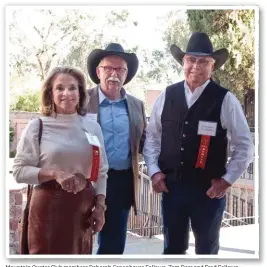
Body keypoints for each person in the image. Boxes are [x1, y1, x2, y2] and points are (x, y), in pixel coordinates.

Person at [143, 32, 254, 255]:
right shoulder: (167, 95)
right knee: (173, 249)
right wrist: (154, 172)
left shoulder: (225, 99)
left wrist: (226, 180)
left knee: (206, 250)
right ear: (183, 62)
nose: (196, 66)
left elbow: (244, 145)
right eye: (191, 60)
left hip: (208, 192)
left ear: (212, 66)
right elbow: (153, 137)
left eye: (203, 61)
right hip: (171, 188)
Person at [13, 66, 109, 254]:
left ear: (80, 92)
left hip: (82, 210)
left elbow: (102, 172)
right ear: (50, 93)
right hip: (48, 208)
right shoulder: (37, 126)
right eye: (60, 88)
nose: (67, 93)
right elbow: (19, 171)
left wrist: (100, 207)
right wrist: (55, 173)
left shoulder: (92, 128)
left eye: (72, 88)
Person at [86, 43, 146, 254]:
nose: (114, 73)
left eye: (120, 69)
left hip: (121, 180)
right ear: (98, 71)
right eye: (108, 68)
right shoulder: (81, 101)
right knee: (78, 235)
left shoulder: (136, 105)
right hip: (86, 180)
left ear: (126, 74)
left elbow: (146, 141)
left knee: (114, 241)